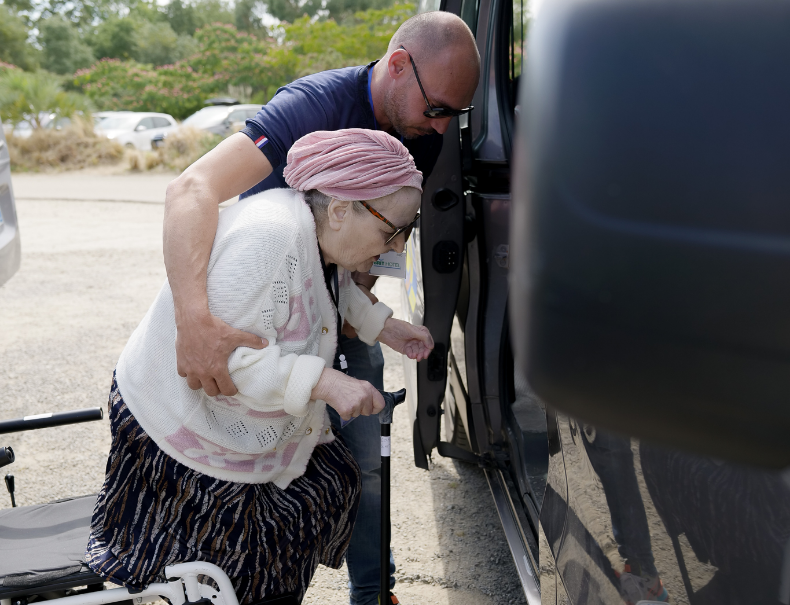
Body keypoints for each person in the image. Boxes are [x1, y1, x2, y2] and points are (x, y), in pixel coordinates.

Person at [163, 11, 480, 605]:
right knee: (257, 472)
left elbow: (378, 249)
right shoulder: (312, 107)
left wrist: (374, 321)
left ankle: (372, 593)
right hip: (263, 320)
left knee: (363, 466)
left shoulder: (426, 129)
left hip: (335, 304)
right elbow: (191, 188)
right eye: (436, 108)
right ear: (397, 65)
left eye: (453, 116)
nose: (440, 129)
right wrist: (192, 322)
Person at [85, 129, 435, 604]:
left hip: (235, 428)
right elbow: (224, 363)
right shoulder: (269, 241)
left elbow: (325, 289)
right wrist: (327, 382)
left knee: (320, 496)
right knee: (218, 578)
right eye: (392, 232)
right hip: (181, 433)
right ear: (338, 210)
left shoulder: (316, 231)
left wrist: (383, 326)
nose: (395, 249)